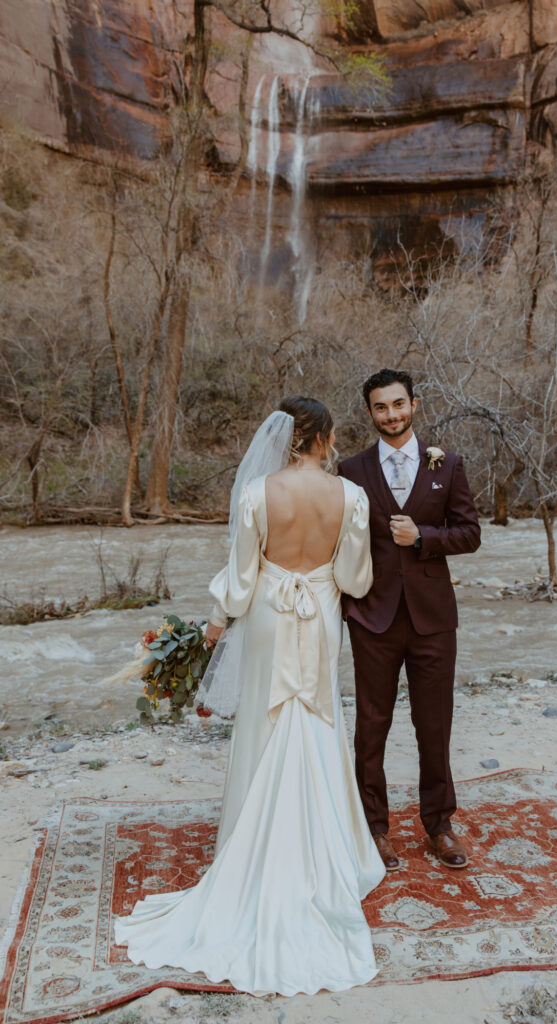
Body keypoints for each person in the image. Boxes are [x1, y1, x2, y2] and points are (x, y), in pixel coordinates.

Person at [114, 397, 385, 996]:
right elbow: (356, 580)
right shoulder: (353, 498)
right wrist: (320, 579)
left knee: (264, 722)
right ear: (325, 437)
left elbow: (240, 583)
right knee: (315, 716)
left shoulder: (258, 494)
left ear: (285, 438)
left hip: (267, 617)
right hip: (319, 617)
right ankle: (327, 853)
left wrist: (212, 628)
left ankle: (247, 844)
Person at [338, 369, 481, 873]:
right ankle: (373, 829)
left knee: (434, 725)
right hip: (372, 616)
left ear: (414, 405)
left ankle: (439, 825)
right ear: (371, 413)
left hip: (433, 619)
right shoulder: (349, 471)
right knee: (371, 726)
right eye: (381, 407)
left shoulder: (448, 465)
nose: (391, 415)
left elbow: (469, 534)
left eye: (398, 405)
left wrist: (423, 536)